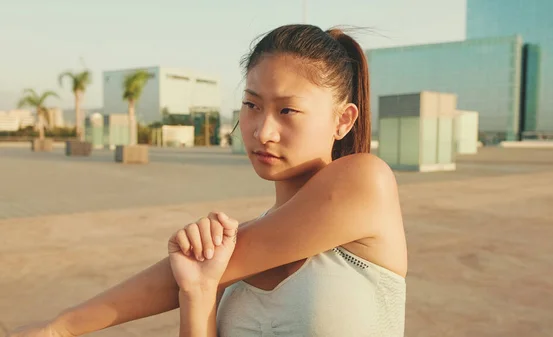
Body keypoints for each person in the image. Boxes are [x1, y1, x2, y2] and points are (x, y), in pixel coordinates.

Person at [9, 24, 407, 337]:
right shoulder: (230, 261)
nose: (262, 130)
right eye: (251, 105)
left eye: (288, 111)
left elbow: (244, 250)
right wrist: (198, 291)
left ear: (344, 120)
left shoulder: (365, 180)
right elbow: (209, 270)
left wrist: (61, 326)